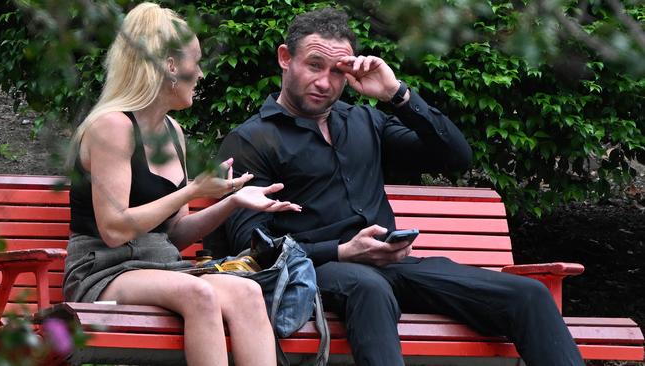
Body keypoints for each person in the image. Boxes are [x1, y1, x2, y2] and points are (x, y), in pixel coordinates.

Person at [214, 7, 584, 366]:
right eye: (314, 65)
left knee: (530, 295)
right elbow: (251, 248)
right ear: (285, 58)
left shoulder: (364, 121)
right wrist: (342, 251)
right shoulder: (252, 140)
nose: (325, 83)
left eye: (337, 72)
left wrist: (397, 95)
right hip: (320, 270)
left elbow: (455, 158)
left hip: (394, 265)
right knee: (369, 288)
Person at [62, 3, 301, 366]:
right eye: (196, 62)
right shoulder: (112, 127)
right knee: (199, 294)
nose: (201, 73)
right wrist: (190, 190)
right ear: (171, 67)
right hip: (103, 270)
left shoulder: (173, 133)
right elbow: (113, 230)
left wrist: (233, 201)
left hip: (161, 267)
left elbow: (174, 235)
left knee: (248, 292)